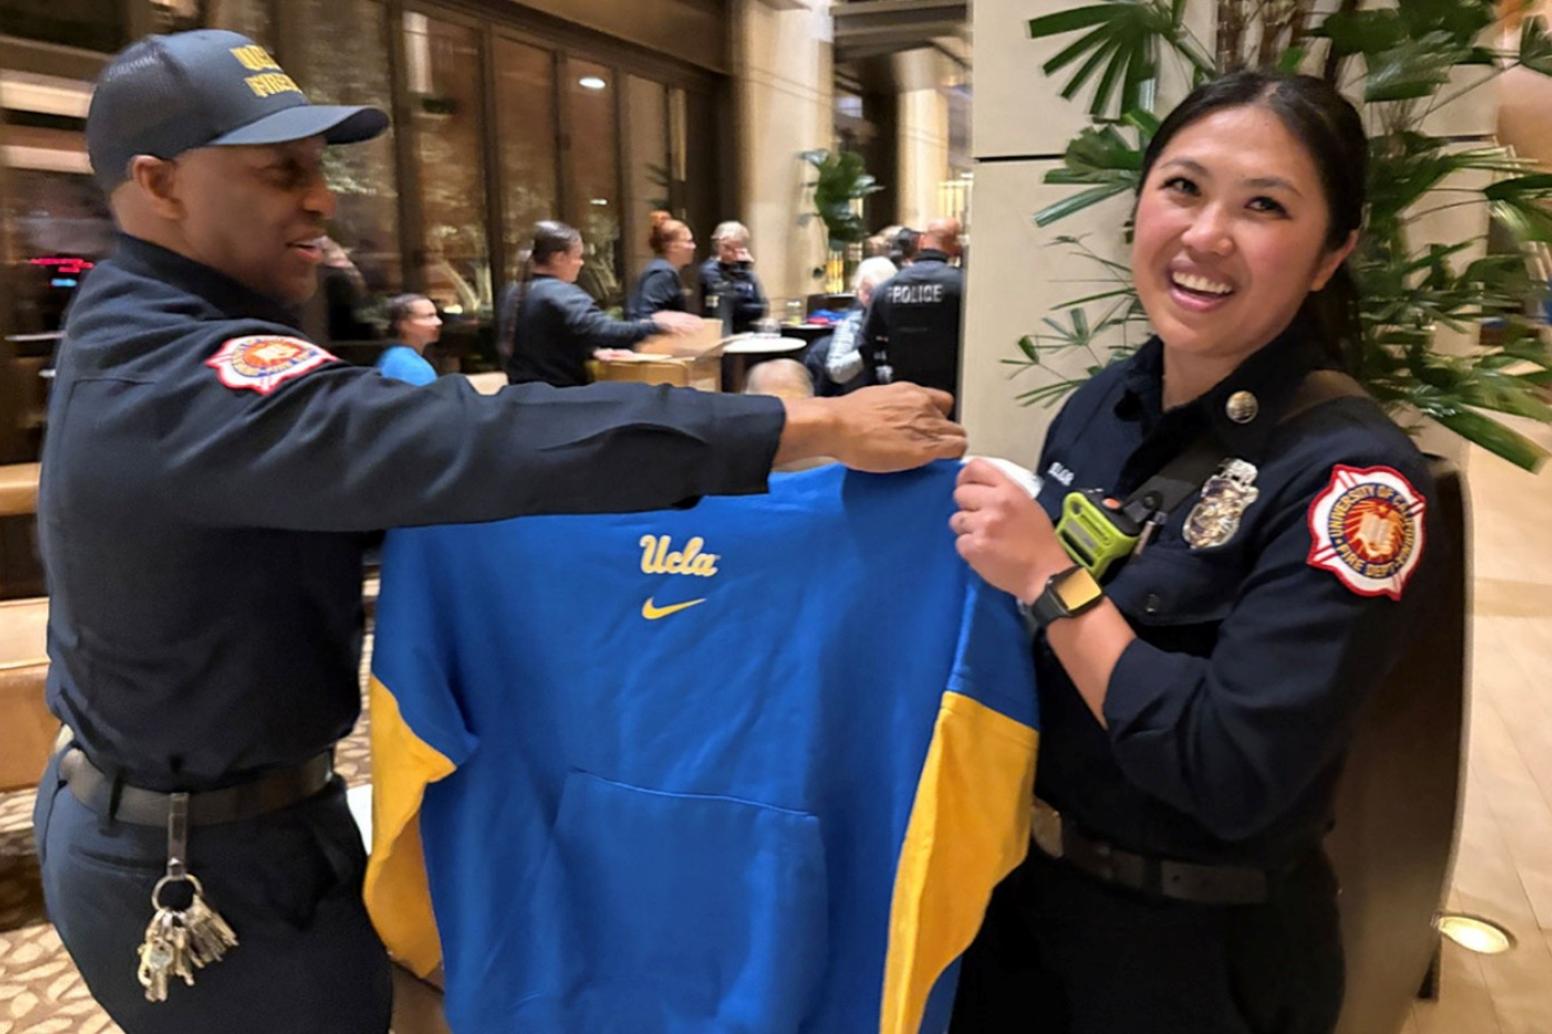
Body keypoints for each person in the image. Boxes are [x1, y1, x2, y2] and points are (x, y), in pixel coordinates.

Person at [30, 30, 965, 1034]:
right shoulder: (180, 371)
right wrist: (801, 424)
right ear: (159, 183)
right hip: (196, 860)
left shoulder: (155, 316)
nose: (319, 197)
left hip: (234, 814)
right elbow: (470, 440)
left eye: (316, 166)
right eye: (279, 170)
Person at [946, 71, 1442, 1034]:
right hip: (1026, 910)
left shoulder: (1357, 483)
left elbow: (1230, 768)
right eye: (1182, 187)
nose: (1206, 235)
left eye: (1263, 206)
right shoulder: (1098, 408)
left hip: (1196, 961)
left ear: (1331, 254)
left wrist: (1052, 580)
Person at [504, 220, 700, 388]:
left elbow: (547, 341)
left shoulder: (512, 292)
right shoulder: (562, 294)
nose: (581, 264)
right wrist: (658, 325)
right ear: (558, 258)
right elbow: (606, 331)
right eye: (577, 257)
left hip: (520, 395)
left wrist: (593, 351)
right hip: (558, 399)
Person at [860, 217, 964, 410]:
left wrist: (878, 387)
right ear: (956, 246)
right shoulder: (962, 286)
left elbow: (866, 343)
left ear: (922, 241)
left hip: (902, 393)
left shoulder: (887, 287)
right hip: (950, 393)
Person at [820, 256, 897, 393]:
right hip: (860, 400)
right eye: (865, 290)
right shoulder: (852, 323)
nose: (870, 298)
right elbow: (836, 372)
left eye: (876, 292)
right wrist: (865, 352)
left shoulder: (904, 321)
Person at [697, 220, 768, 333]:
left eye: (737, 247)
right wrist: (744, 300)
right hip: (721, 330)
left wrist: (744, 270)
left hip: (748, 331)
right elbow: (727, 302)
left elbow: (761, 306)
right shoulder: (709, 270)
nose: (733, 253)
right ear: (718, 246)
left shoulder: (745, 271)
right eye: (728, 248)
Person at [626, 210, 696, 321]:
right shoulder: (663, 273)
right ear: (672, 246)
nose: (693, 246)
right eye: (688, 241)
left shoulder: (663, 270)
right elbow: (645, 315)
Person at [375, 292, 440, 386]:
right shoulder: (414, 368)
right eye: (428, 316)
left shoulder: (392, 355)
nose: (438, 322)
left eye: (436, 315)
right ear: (403, 324)